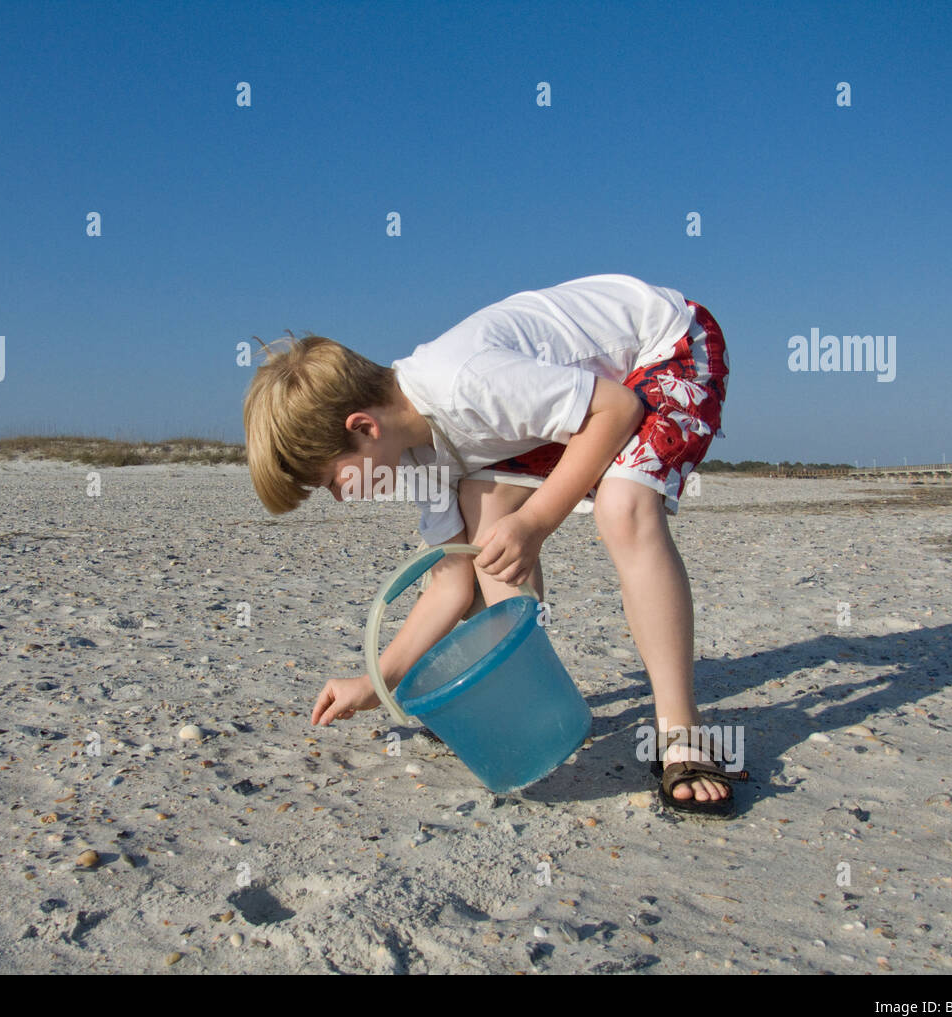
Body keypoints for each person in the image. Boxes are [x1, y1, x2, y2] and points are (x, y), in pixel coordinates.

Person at [242, 273, 748, 816]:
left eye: (333, 481)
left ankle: (680, 730)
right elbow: (451, 580)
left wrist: (535, 521)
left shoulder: (465, 383)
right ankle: (532, 701)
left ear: (364, 427)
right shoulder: (417, 455)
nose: (342, 499)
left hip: (668, 344)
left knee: (622, 507)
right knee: (483, 521)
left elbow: (618, 411)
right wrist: (376, 681)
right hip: (591, 397)